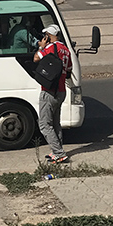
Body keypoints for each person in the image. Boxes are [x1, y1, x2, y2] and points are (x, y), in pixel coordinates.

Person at [33, 24, 72, 164]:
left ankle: (59, 153)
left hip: (49, 91)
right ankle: (57, 150)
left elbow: (36, 58)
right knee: (55, 123)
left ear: (48, 36)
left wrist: (41, 47)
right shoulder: (66, 51)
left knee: (44, 124)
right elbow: (68, 70)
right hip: (61, 91)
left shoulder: (50, 48)